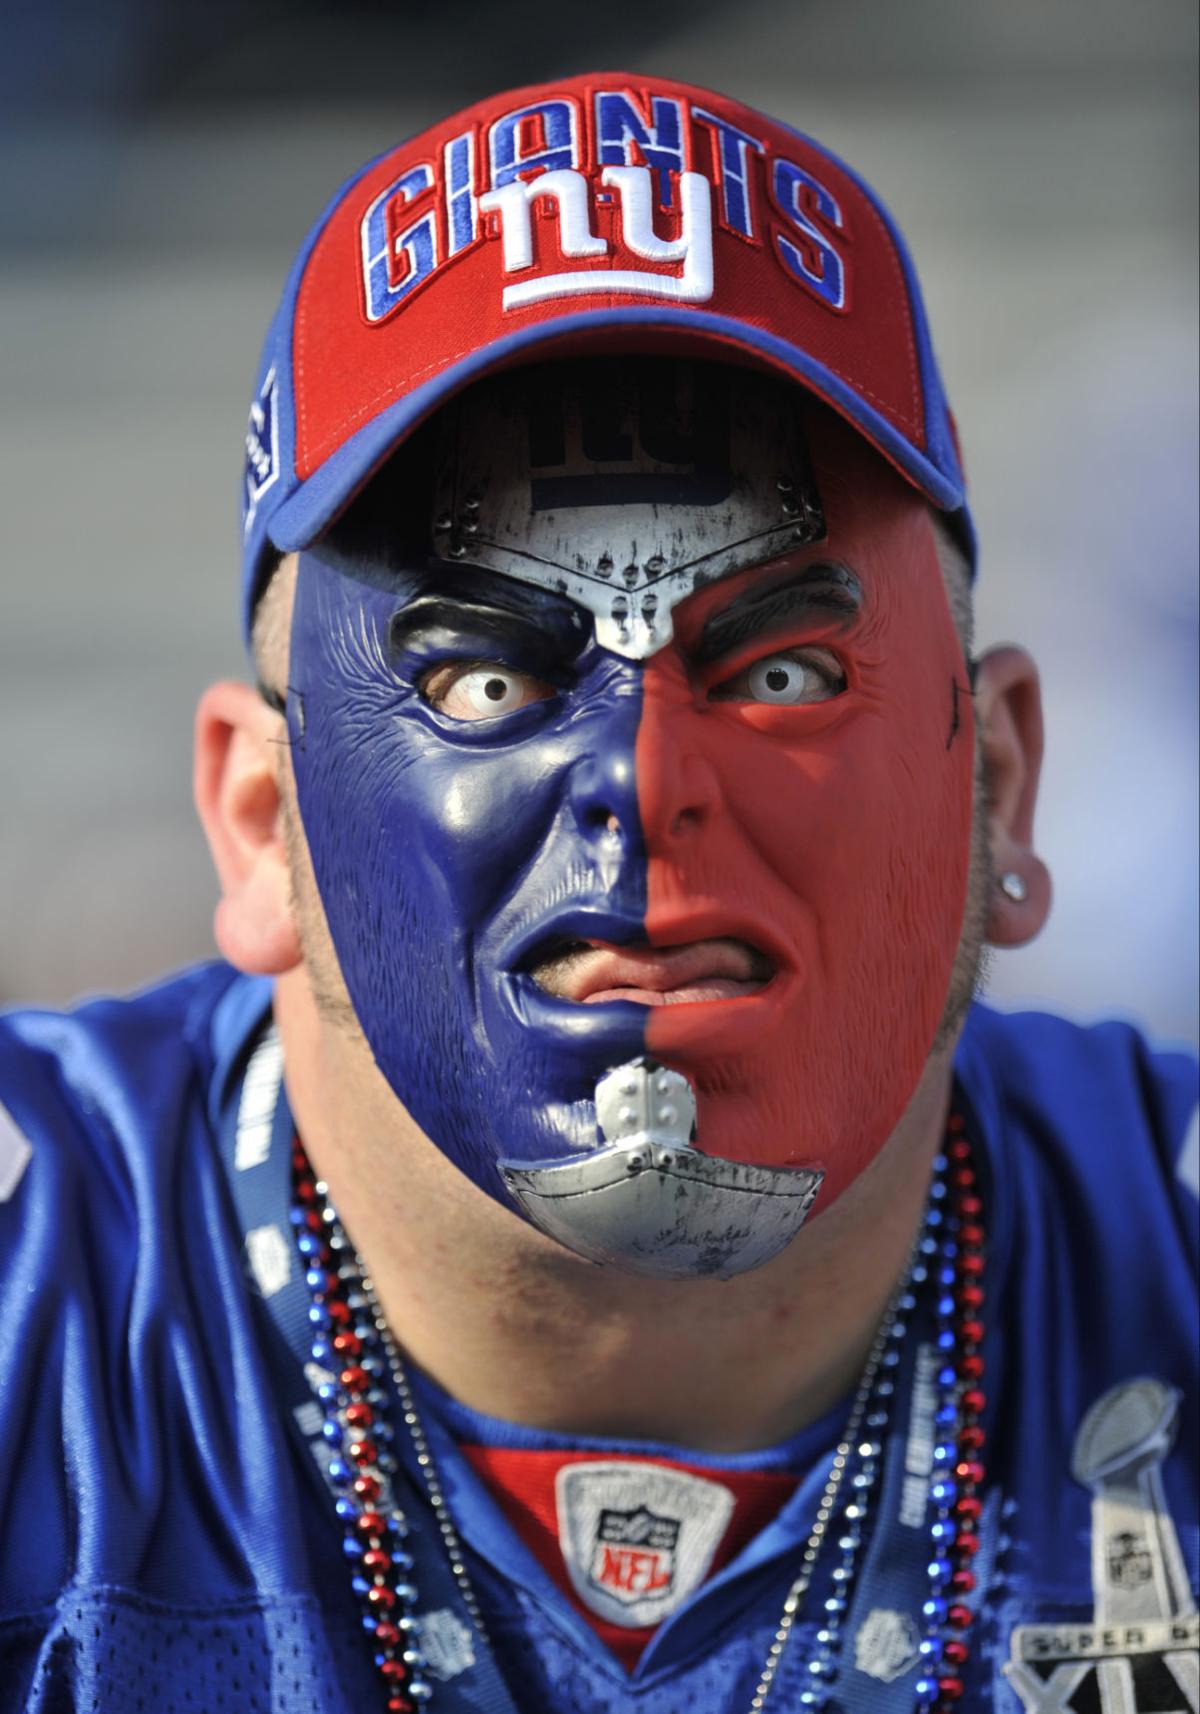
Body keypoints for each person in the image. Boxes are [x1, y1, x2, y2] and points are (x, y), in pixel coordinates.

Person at [0, 71, 1195, 1714]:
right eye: (485, 681)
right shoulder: (41, 1320)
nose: (645, 782)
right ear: (262, 823)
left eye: (778, 670)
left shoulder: (1166, 1250)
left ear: (993, 778)